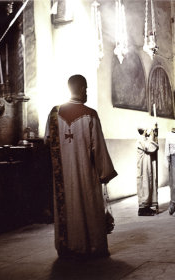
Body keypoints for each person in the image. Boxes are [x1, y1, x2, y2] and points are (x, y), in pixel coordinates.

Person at [45, 74, 117, 259]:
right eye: (87, 89)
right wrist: (104, 173)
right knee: (89, 208)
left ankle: (67, 248)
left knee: (68, 209)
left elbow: (47, 141)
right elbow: (98, 147)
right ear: (84, 89)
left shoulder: (54, 114)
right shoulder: (90, 114)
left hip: (62, 178)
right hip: (86, 174)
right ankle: (92, 247)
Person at [136, 126, 159, 216]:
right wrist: (153, 137)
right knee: (144, 184)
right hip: (143, 167)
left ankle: (148, 206)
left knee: (149, 183)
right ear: (145, 130)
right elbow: (151, 147)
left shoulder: (145, 139)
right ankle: (142, 209)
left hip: (148, 165)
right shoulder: (141, 139)